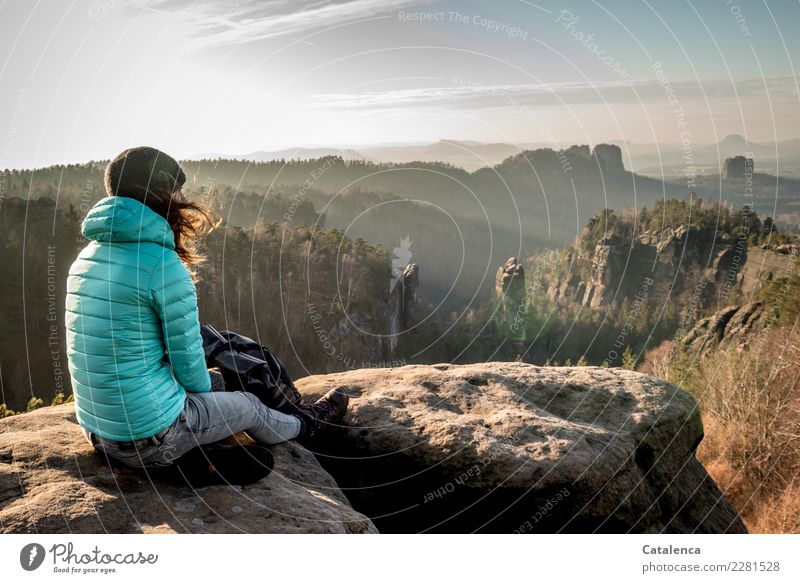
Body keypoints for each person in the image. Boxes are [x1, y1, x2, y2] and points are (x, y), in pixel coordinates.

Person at [65, 146, 348, 480]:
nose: (183, 196)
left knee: (218, 382)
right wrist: (216, 408)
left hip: (99, 434)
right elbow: (189, 363)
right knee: (247, 405)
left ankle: (187, 458)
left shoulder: (84, 259)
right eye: (177, 187)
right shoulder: (162, 265)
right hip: (150, 435)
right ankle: (306, 424)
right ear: (160, 192)